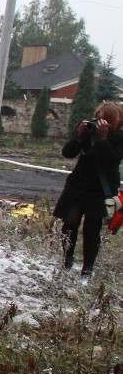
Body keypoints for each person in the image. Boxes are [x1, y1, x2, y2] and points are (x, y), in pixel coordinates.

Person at [53, 101, 123, 280]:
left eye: (105, 120)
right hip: (78, 185)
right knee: (70, 223)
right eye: (99, 119)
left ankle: (87, 269)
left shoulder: (118, 137)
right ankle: (67, 261)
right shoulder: (88, 130)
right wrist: (78, 136)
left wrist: (102, 139)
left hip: (99, 189)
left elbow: (112, 160)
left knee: (92, 229)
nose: (100, 123)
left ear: (114, 122)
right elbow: (67, 153)